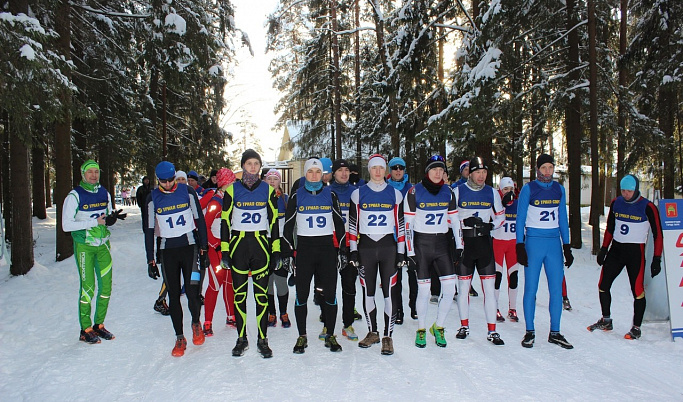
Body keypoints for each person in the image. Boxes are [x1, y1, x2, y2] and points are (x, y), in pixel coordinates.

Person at [282, 158, 346, 353]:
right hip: (305, 251)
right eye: (310, 171)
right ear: (305, 174)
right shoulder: (296, 195)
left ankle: (331, 335)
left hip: (326, 250)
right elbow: (288, 226)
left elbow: (339, 224)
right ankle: (302, 336)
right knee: (301, 296)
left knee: (330, 295)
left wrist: (342, 251)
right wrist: (288, 253)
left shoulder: (330, 194)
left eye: (318, 172)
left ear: (322, 174)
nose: (314, 175)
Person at [220, 149, 280, 358]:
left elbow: (273, 222)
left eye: (256, 163)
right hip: (238, 247)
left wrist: (276, 251)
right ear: (243, 166)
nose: (253, 167)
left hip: (261, 247)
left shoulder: (268, 190)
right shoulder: (232, 190)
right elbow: (225, 221)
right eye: (249, 163)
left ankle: (262, 339)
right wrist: (225, 251)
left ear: (260, 166)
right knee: (240, 296)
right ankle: (241, 338)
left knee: (261, 296)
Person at [588, 174, 663, 340]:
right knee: (603, 284)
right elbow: (610, 228)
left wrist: (656, 258)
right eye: (623, 190)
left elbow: (658, 234)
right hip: (616, 250)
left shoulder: (648, 207)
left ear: (636, 189)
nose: (626, 194)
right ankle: (606, 320)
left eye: (629, 191)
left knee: (637, 291)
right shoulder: (616, 203)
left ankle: (636, 328)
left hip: (635, 252)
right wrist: (604, 249)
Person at [145, 161, 208, 357]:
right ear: (158, 180)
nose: (168, 184)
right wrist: (150, 260)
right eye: (163, 181)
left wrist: (204, 247)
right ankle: (180, 337)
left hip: (190, 248)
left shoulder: (187, 192)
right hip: (167, 250)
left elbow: (199, 220)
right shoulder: (152, 197)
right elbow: (148, 231)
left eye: (171, 180)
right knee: (173, 295)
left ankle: (196, 322)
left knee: (192, 291)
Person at [62, 160, 126, 344]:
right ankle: (85, 328)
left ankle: (99, 324)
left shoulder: (103, 192)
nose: (93, 175)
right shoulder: (74, 196)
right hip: (85, 246)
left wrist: (111, 218)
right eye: (89, 172)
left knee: (106, 286)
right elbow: (66, 225)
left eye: (96, 172)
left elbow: (105, 216)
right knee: (88, 288)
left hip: (103, 245)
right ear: (83, 174)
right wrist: (94, 222)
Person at [349, 154, 406, 355]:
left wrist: (401, 252)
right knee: (368, 291)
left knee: (389, 293)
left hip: (388, 247)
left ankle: (387, 336)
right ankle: (372, 331)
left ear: (385, 170)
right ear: (369, 170)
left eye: (381, 168)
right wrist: (353, 250)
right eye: (374, 168)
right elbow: (352, 225)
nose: (378, 171)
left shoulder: (395, 194)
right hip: (365, 247)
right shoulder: (358, 194)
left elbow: (400, 226)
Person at [516, 154, 574, 349]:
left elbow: (563, 219)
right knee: (531, 288)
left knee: (556, 290)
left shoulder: (559, 189)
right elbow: (520, 219)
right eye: (544, 167)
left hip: (553, 244)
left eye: (550, 167)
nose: (547, 171)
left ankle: (555, 332)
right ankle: (530, 331)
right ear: (537, 169)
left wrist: (566, 245)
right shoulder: (529, 189)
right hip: (534, 242)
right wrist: (519, 244)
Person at [404, 155, 463, 348]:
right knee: (424, 290)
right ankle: (421, 329)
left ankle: (438, 327)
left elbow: (455, 221)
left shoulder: (448, 191)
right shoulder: (414, 192)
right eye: (434, 169)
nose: (438, 173)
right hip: (422, 244)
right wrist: (410, 252)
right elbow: (408, 225)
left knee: (449, 288)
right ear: (427, 171)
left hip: (442, 245)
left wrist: (460, 246)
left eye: (441, 170)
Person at [453, 157, 505, 345]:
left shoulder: (492, 192)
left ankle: (492, 331)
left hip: (484, 245)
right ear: (470, 173)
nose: (481, 176)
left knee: (489, 290)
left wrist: (490, 226)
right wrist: (463, 223)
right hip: (465, 245)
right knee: (464, 288)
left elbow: (501, 216)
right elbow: (449, 217)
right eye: (477, 172)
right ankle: (464, 326)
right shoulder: (458, 191)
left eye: (484, 172)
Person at [329, 159, 361, 340]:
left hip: (350, 246)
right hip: (330, 246)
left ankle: (348, 324)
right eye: (340, 170)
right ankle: (328, 324)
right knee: (328, 287)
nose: (343, 173)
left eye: (347, 170)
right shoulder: (327, 192)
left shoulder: (356, 193)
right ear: (333, 173)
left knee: (349, 286)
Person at [203, 168, 237, 336]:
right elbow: (204, 226)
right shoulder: (216, 202)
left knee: (230, 283)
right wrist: (216, 245)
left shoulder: (232, 199)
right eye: (230, 183)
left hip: (229, 249)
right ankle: (207, 322)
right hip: (215, 249)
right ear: (223, 184)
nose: (233, 186)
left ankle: (231, 316)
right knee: (215, 283)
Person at [387, 156, 416, 325]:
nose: (398, 171)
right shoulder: (386, 188)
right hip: (392, 237)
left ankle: (414, 305)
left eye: (401, 168)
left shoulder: (411, 189)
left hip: (410, 236)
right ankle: (398, 310)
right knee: (395, 275)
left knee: (413, 272)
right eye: (395, 168)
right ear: (390, 171)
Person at [264, 169, 292, 329]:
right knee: (267, 281)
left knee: (281, 280)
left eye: (275, 179)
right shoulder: (261, 198)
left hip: (282, 243)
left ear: (279, 182)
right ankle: (271, 313)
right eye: (270, 179)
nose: (273, 181)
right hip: (266, 241)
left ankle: (283, 312)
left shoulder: (286, 199)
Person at [492, 177, 520, 323]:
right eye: (505, 190)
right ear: (500, 190)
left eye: (511, 190)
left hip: (512, 245)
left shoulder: (518, 204)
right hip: (498, 243)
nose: (509, 193)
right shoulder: (496, 204)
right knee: (497, 276)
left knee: (514, 276)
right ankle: (495, 308)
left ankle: (512, 308)